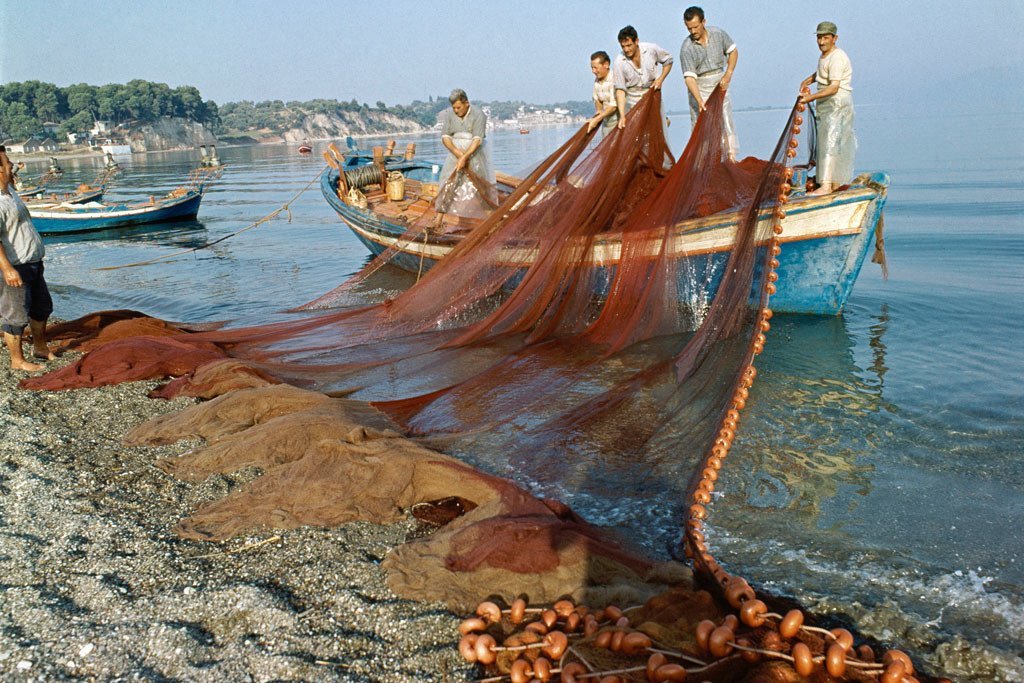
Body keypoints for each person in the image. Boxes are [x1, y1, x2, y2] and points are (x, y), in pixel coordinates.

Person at [0, 146, 55, 372]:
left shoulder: (10, 192)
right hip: (15, 267)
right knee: (16, 316)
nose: (11, 165)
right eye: (7, 163)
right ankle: (17, 360)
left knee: (42, 308)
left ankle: (40, 348)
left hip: (33, 263)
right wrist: (7, 269)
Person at [800, 21, 856, 195]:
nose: (821, 42)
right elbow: (824, 72)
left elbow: (833, 87)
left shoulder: (838, 57)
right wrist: (809, 79)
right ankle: (833, 184)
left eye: (825, 38)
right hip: (826, 104)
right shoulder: (825, 56)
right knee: (826, 143)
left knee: (831, 144)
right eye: (819, 37)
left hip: (836, 104)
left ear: (834, 38)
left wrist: (809, 98)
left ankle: (826, 186)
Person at [679, 6, 739, 159]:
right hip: (699, 86)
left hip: (720, 81)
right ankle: (703, 163)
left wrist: (728, 74)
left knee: (726, 121)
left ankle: (730, 159)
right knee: (702, 129)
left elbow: (733, 51)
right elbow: (689, 78)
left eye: (695, 27)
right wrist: (699, 100)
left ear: (703, 22)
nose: (693, 32)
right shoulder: (687, 48)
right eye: (689, 28)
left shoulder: (718, 34)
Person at [435, 88, 497, 229]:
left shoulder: (478, 114)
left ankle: (492, 221)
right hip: (455, 154)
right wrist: (459, 155)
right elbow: (445, 138)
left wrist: (466, 157)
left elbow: (477, 139)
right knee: (448, 183)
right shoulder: (450, 115)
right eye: (454, 108)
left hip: (475, 154)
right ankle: (438, 219)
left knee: (481, 185)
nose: (456, 111)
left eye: (458, 107)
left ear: (466, 103)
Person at [612, 25, 673, 129]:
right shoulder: (619, 62)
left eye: (629, 45)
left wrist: (660, 79)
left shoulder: (651, 49)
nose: (626, 50)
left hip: (652, 94)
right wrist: (622, 116)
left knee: (658, 128)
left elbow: (668, 60)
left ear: (637, 41)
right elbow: (620, 90)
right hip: (633, 100)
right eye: (623, 47)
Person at [587, 51, 619, 135]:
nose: (593, 71)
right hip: (606, 123)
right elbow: (597, 101)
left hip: (619, 122)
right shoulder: (597, 82)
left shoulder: (615, 79)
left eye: (596, 68)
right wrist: (596, 116)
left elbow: (614, 106)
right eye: (592, 68)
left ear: (606, 65)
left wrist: (597, 119)